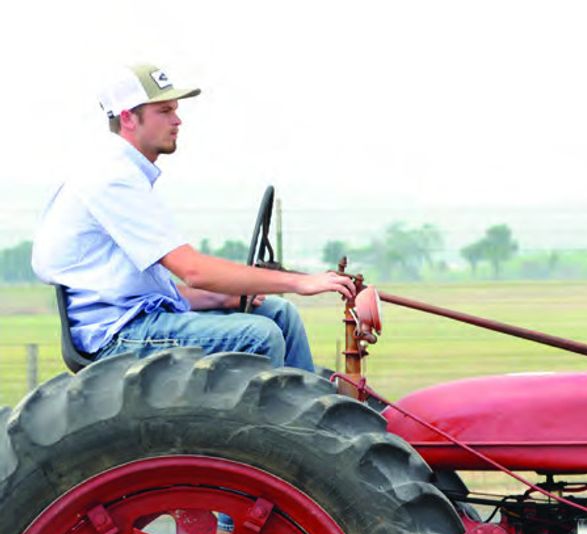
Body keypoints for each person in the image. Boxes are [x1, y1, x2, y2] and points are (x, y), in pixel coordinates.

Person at [32, 63, 355, 371]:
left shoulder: (126, 174)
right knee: (259, 334)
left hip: (141, 316)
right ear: (129, 118)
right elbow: (194, 271)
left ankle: (314, 419)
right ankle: (274, 426)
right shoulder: (112, 178)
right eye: (165, 111)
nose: (178, 120)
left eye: (175, 109)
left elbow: (149, 289)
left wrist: (223, 296)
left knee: (280, 314)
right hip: (118, 334)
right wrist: (302, 282)